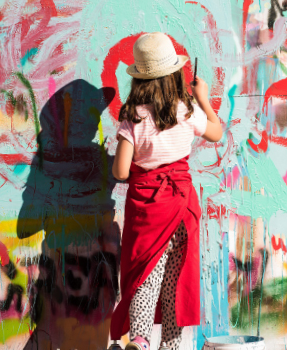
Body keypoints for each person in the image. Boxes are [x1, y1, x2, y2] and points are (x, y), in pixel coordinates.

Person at [109, 32, 222, 350]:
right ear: (174, 74)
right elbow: (216, 132)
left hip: (148, 211)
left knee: (145, 276)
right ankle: (170, 347)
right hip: (182, 209)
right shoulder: (185, 111)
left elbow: (119, 171)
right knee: (175, 282)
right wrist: (203, 99)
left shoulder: (133, 116)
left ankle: (141, 340)